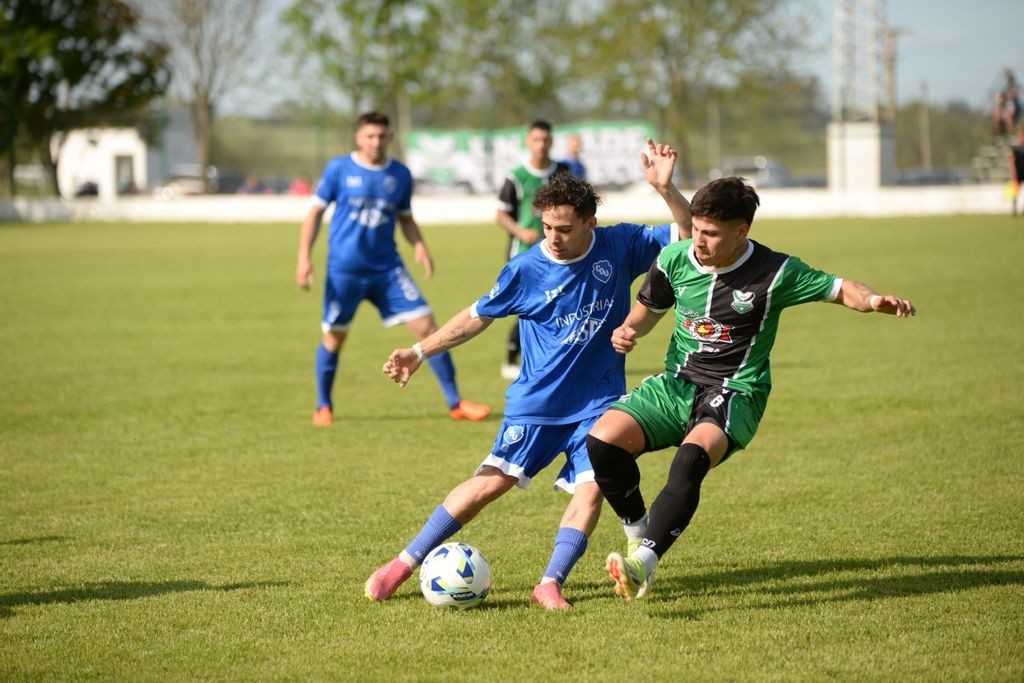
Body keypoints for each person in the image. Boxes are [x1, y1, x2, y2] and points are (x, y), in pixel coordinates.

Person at [365, 140, 693, 610]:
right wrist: (420, 350)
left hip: (600, 403)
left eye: (563, 229)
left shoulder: (620, 245)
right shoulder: (525, 268)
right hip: (536, 405)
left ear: (589, 224)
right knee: (489, 483)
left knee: (592, 489)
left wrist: (665, 189)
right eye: (546, 227)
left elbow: (683, 239)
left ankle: (550, 582)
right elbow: (477, 315)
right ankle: (403, 563)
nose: (552, 238)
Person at [586, 176, 917, 601]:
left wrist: (873, 302)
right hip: (678, 384)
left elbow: (841, 289)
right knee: (603, 443)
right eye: (697, 228)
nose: (699, 241)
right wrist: (628, 332)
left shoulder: (776, 271)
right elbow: (646, 312)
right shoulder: (673, 259)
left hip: (735, 389)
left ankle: (642, 564)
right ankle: (637, 535)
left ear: (742, 231)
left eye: (711, 233)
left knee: (691, 459)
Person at [295, 111, 490, 426]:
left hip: (388, 271)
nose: (375, 142)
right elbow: (315, 213)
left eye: (381, 136)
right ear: (359, 137)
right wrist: (304, 257)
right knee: (334, 338)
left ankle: (456, 402)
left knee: (428, 328)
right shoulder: (339, 169)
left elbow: (405, 217)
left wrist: (420, 246)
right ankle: (323, 406)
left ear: (389, 138)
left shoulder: (400, 174)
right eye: (369, 136)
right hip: (344, 273)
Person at [495, 119, 572, 380]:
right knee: (531, 305)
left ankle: (550, 357)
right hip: (524, 251)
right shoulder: (516, 176)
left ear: (551, 142)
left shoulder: (562, 171)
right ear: (528, 142)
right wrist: (520, 231)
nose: (541, 145)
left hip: (558, 249)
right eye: (536, 140)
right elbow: (501, 214)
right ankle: (512, 356)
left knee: (559, 302)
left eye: (545, 140)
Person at [1010, 126, 1024, 216]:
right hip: (1018, 173)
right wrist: (1013, 172)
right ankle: (1014, 209)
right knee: (1015, 191)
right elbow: (1012, 160)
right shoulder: (1016, 149)